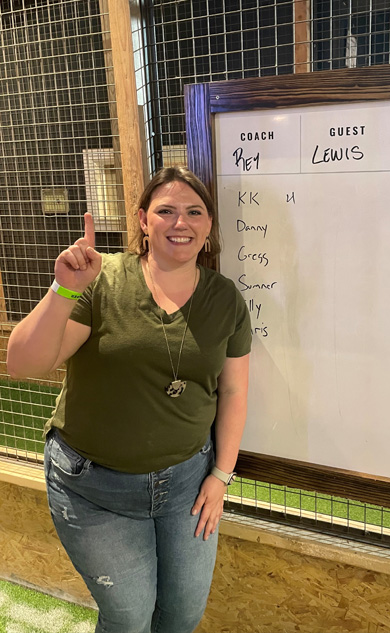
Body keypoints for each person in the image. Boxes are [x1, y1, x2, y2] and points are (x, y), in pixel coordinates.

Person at [6, 166, 251, 633]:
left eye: (194, 212)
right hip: (96, 488)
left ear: (208, 225)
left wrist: (220, 475)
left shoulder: (225, 299)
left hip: (186, 485)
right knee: (130, 618)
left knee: (182, 616)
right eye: (166, 211)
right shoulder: (103, 281)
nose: (181, 222)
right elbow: (23, 365)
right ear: (143, 220)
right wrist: (65, 288)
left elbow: (235, 390)